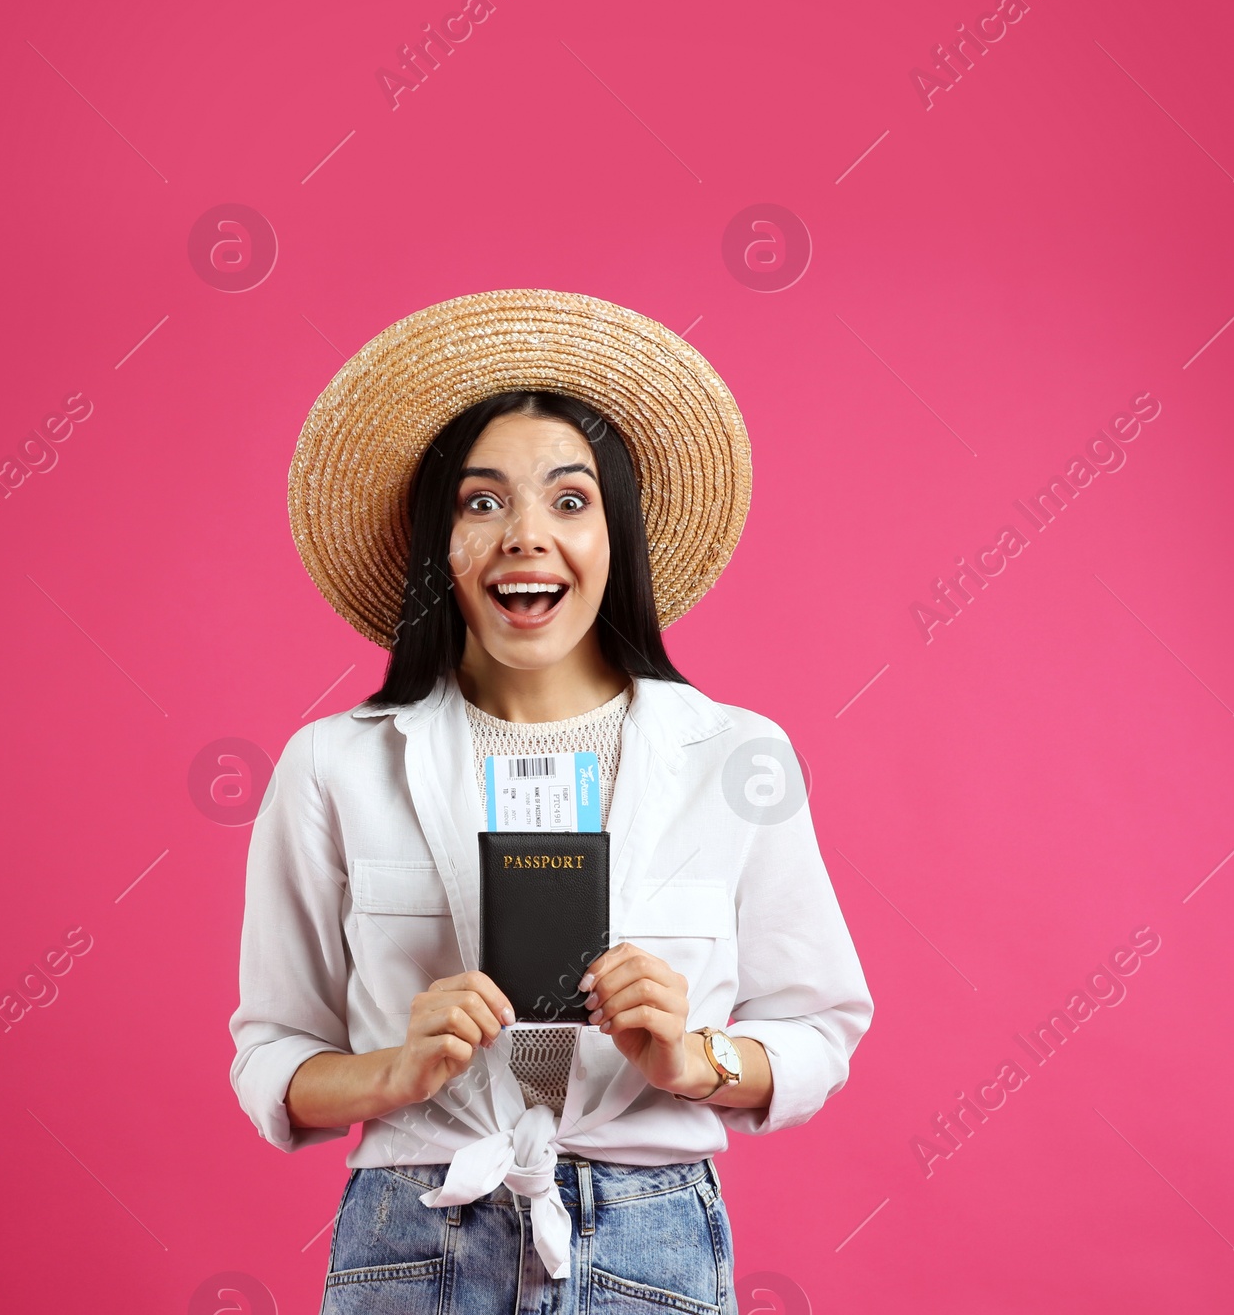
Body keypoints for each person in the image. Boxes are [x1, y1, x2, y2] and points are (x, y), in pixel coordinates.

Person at [230, 289, 873, 1314]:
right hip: (415, 1232)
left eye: (568, 500)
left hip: (649, 1243)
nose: (525, 535)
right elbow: (272, 1054)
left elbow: (818, 1030)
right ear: (438, 543)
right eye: (481, 502)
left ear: (615, 534)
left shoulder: (738, 756)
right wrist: (396, 1070)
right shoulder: (332, 766)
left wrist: (692, 1055)